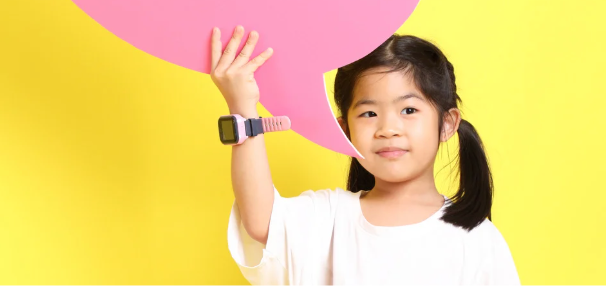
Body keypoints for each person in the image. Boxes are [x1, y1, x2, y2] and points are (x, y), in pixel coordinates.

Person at [212, 26, 520, 285]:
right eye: (369, 113)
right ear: (344, 130)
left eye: (409, 110)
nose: (387, 128)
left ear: (447, 123)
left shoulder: (477, 240)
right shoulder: (330, 218)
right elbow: (261, 222)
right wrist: (243, 109)